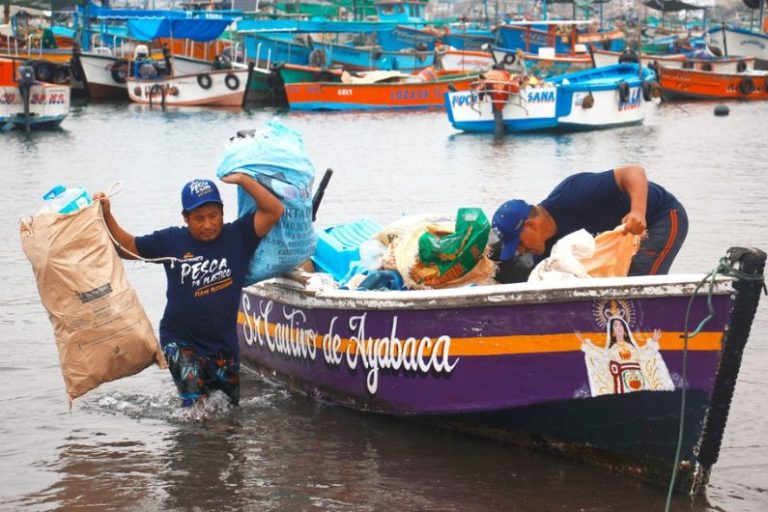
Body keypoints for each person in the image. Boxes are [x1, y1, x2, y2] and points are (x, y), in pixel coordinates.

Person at [94, 174, 284, 407]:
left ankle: (202, 443)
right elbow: (128, 248)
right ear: (185, 218)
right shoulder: (171, 241)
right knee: (198, 409)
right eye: (198, 218)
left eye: (214, 216)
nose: (208, 225)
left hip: (223, 346)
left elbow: (274, 210)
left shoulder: (239, 236)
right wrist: (106, 214)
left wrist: (244, 180)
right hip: (181, 342)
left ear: (223, 213)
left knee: (229, 413)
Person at [491, 165, 687, 282]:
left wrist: (637, 211)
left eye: (520, 243)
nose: (522, 251)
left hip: (660, 216)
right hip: (625, 242)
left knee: (637, 281)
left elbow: (633, 172)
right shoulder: (546, 251)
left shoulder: (572, 193)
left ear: (531, 225)